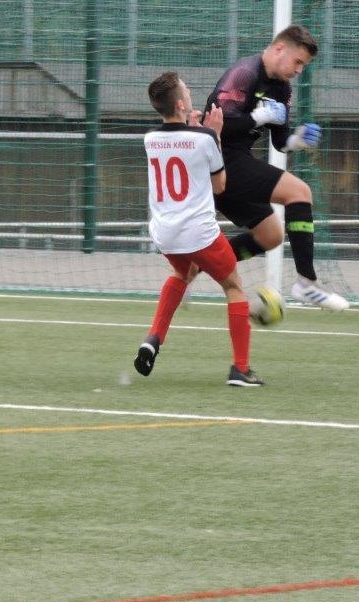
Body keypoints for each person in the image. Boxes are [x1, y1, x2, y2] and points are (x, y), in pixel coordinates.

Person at [206, 24, 348, 311]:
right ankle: (306, 283)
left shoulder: (282, 88)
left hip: (235, 162)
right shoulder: (245, 73)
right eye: (298, 62)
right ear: (280, 49)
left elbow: (280, 143)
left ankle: (201, 265)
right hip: (217, 160)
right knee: (299, 192)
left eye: (304, 66)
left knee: (270, 236)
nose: (299, 70)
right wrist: (258, 118)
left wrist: (298, 140)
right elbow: (218, 127)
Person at [134, 71, 264, 387]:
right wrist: (214, 134)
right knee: (233, 286)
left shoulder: (150, 139)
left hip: (164, 233)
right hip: (198, 233)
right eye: (186, 90)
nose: (190, 92)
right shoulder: (204, 138)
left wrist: (197, 131)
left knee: (183, 273)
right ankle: (241, 369)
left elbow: (180, 150)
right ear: (181, 104)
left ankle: (153, 338)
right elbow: (219, 185)